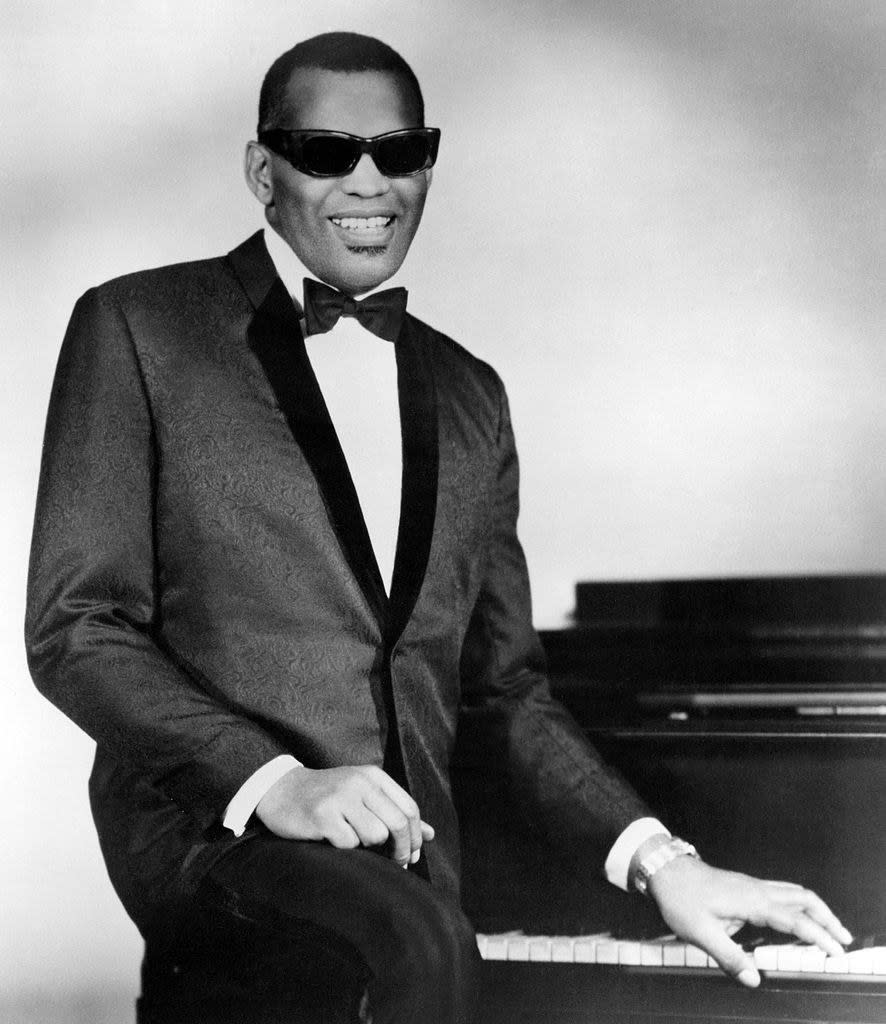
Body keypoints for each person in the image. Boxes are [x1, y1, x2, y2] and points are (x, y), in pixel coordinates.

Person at [26, 31, 852, 1024]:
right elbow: (77, 628)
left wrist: (662, 860)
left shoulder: (471, 395)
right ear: (263, 170)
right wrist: (276, 781)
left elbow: (505, 689)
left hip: (420, 862)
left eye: (400, 153)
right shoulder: (137, 327)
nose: (369, 181)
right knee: (413, 940)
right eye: (327, 152)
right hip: (215, 836)